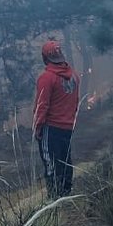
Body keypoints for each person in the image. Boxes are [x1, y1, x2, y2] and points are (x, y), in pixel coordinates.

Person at [32, 40, 80, 198]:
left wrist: (38, 127)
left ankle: (54, 198)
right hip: (67, 127)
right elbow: (75, 102)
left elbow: (42, 106)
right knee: (65, 160)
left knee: (50, 162)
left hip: (50, 127)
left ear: (45, 58)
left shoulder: (46, 78)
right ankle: (67, 192)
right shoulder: (74, 76)